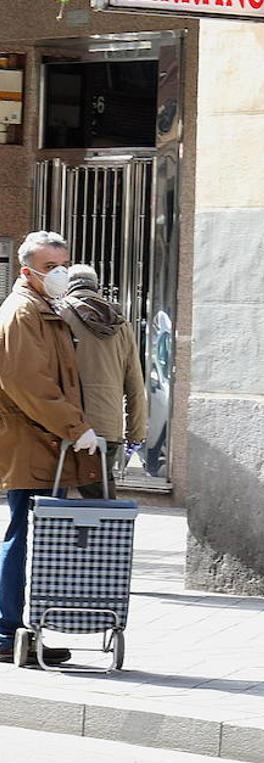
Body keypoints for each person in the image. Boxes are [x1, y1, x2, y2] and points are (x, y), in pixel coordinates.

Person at [0, 232, 104, 666]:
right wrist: (76, 427)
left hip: (47, 444)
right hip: (34, 444)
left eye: (64, 264)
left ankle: (23, 629)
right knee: (23, 533)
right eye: (50, 267)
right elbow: (30, 385)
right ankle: (7, 630)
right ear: (27, 271)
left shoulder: (44, 309)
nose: (60, 274)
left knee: (35, 535)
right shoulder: (22, 312)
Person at [59, 265, 148, 499]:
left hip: (64, 423)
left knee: (52, 500)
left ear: (68, 286)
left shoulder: (58, 315)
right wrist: (135, 433)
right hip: (107, 428)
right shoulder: (121, 324)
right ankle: (100, 534)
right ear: (96, 287)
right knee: (100, 499)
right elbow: (135, 385)